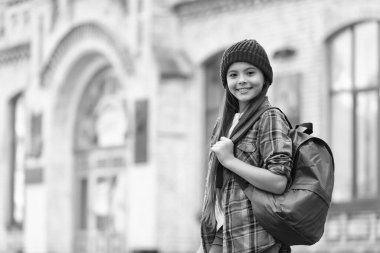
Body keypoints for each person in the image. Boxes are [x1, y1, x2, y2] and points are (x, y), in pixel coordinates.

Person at [198, 39, 293, 253]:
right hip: (222, 233)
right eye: (233, 75)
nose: (241, 80)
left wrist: (230, 160)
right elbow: (218, 189)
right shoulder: (222, 125)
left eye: (250, 73)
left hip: (258, 239)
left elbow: (278, 181)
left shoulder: (270, 117)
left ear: (264, 77)